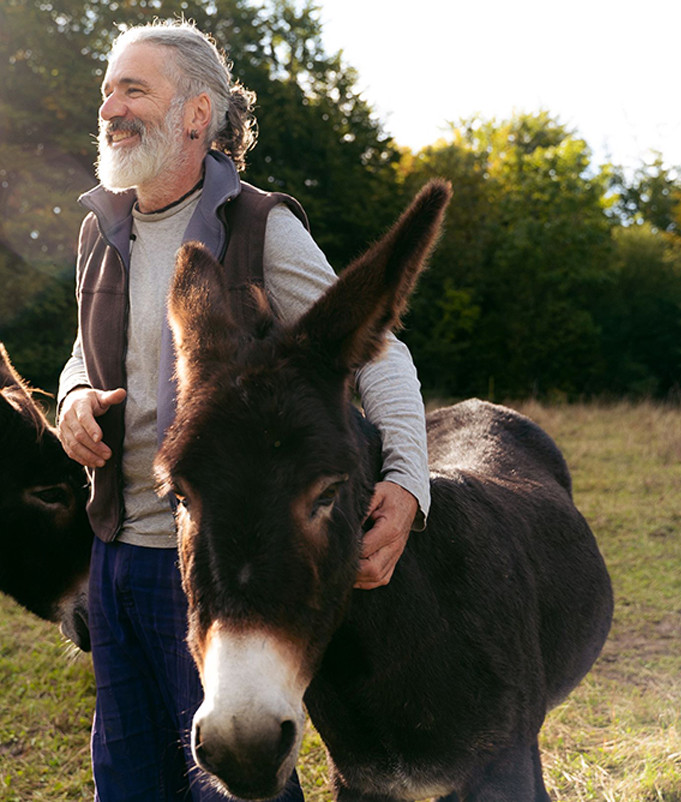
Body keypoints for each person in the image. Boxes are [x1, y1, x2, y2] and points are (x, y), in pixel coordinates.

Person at [56, 19, 431, 801]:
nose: (110, 107)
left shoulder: (264, 226)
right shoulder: (100, 226)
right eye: (107, 91)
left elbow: (379, 352)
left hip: (212, 555)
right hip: (113, 548)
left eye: (133, 89)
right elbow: (82, 352)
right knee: (127, 780)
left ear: (198, 113)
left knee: (236, 776)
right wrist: (72, 398)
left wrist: (408, 479)